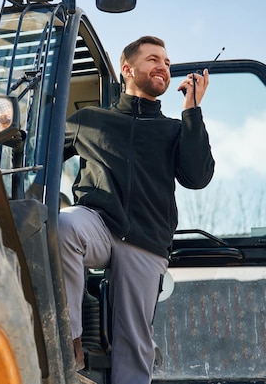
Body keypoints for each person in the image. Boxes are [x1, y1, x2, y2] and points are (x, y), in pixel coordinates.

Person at [59, 35, 215, 384]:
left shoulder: (175, 130)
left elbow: (197, 176)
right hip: (97, 224)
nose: (163, 66)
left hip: (145, 241)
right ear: (127, 69)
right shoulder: (89, 121)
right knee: (64, 225)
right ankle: (67, 343)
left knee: (134, 345)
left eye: (167, 63)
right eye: (153, 59)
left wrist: (192, 110)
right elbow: (45, 152)